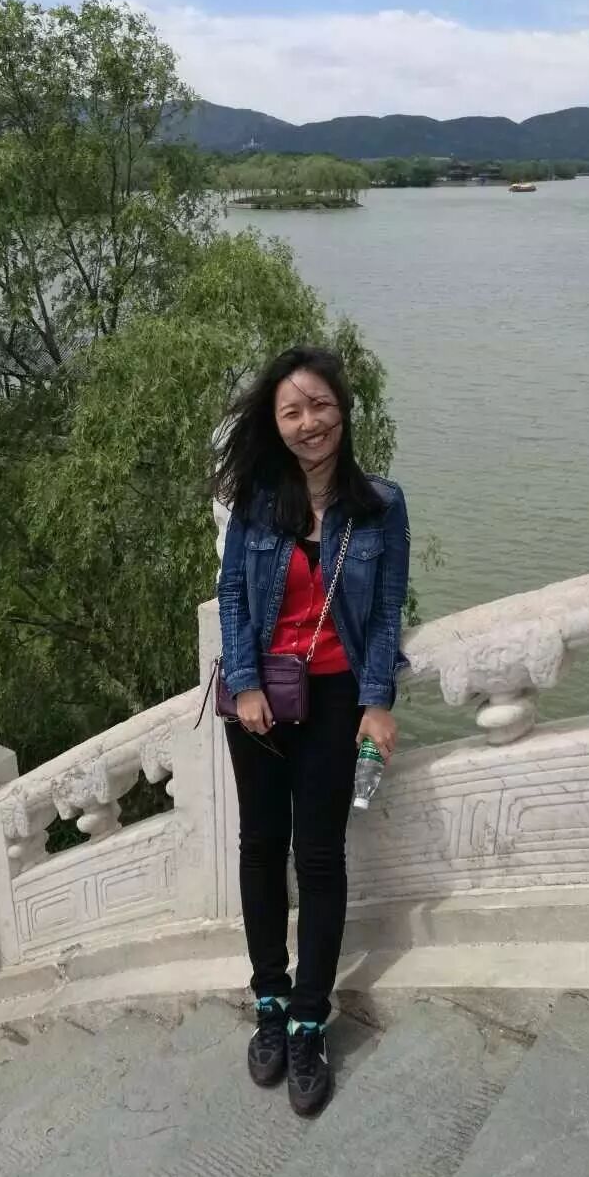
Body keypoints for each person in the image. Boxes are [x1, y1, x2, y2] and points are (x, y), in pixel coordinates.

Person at [213, 345, 410, 1116]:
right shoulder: (259, 499)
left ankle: (307, 1018)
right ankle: (268, 998)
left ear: (343, 410)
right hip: (260, 700)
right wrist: (244, 681)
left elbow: (387, 609)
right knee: (261, 847)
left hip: (333, 697)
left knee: (319, 855)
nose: (308, 423)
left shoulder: (381, 505)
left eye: (319, 405)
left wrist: (377, 699)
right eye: (291, 411)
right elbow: (234, 593)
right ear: (276, 423)